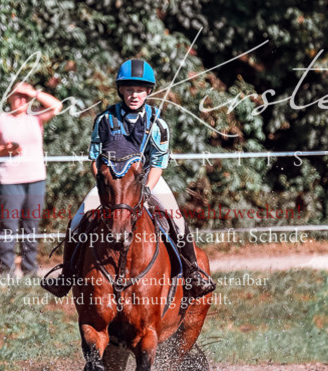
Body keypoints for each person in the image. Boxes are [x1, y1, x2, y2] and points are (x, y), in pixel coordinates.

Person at [41, 58, 215, 298]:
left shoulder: (158, 124)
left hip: (147, 181)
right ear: (120, 90)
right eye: (129, 89)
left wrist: (146, 190)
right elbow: (95, 159)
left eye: (140, 90)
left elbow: (158, 164)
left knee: (176, 219)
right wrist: (104, 186)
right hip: (111, 183)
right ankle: (67, 274)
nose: (134, 95)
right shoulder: (104, 120)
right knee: (77, 220)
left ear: (148, 92)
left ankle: (192, 272)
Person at [0, 82, 61, 277]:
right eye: (17, 95)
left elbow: (57, 106)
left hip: (35, 179)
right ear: (9, 98)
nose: (21, 100)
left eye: (25, 97)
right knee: (8, 226)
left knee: (31, 225)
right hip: (8, 180)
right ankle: (7, 272)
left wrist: (33, 92)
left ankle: (30, 270)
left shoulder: (36, 118)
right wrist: (5, 150)